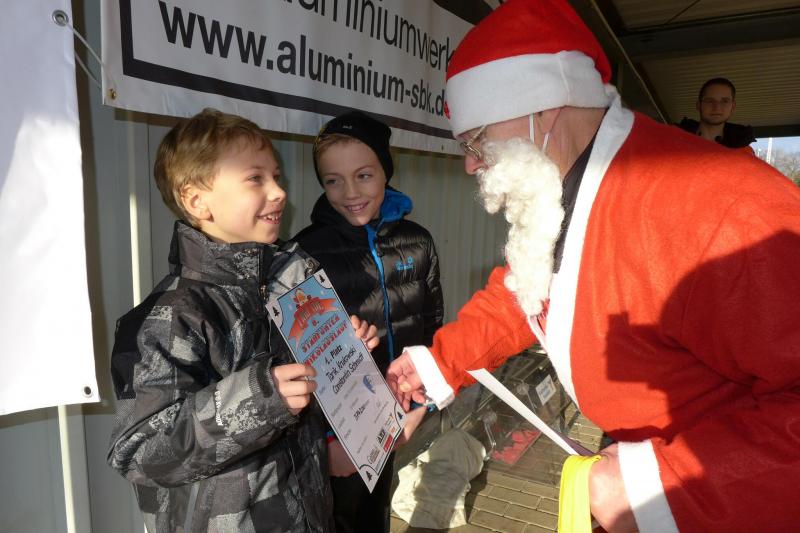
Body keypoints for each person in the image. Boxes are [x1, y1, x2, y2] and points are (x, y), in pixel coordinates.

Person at [385, 1, 800, 532]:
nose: (470, 162)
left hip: (707, 496)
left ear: (544, 111)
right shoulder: (567, 183)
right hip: (636, 467)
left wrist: (663, 484)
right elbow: (527, 287)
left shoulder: (720, 205)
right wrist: (441, 363)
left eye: (476, 138)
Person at [106, 108, 377, 533]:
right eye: (255, 179)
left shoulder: (292, 278)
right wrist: (260, 398)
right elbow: (140, 452)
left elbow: (309, 396)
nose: (279, 192)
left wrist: (341, 352)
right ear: (196, 200)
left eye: (276, 177)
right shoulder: (171, 317)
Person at [294, 110, 443, 533]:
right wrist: (326, 441)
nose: (350, 193)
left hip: (397, 419)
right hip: (338, 440)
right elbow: (295, 357)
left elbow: (431, 328)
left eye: (364, 176)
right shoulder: (304, 254)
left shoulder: (418, 242)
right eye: (333, 181)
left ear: (385, 171)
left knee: (377, 516)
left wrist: (420, 406)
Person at [677, 77, 755, 152]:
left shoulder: (745, 152)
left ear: (733, 106)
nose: (717, 108)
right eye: (710, 101)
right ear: (698, 105)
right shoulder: (674, 137)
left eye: (724, 101)